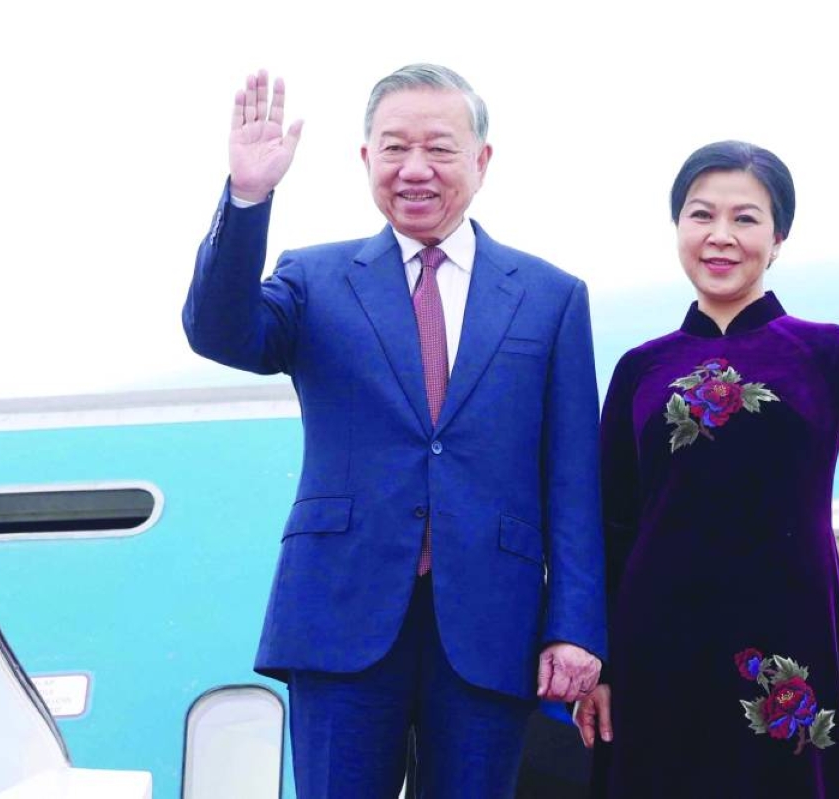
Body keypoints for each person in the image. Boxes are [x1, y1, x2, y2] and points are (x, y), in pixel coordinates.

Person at [183, 64, 606, 798]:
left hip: (490, 623)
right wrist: (249, 195)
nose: (415, 169)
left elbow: (574, 480)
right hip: (340, 615)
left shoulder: (551, 297)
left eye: (439, 148)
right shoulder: (315, 278)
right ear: (366, 159)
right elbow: (220, 332)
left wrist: (574, 626)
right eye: (394, 148)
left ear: (482, 160)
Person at [574, 140, 839, 797]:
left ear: (778, 238)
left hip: (786, 628)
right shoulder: (639, 367)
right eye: (700, 215)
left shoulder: (825, 350)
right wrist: (599, 663)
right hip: (657, 632)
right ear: (678, 228)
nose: (720, 236)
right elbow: (612, 521)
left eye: (744, 218)